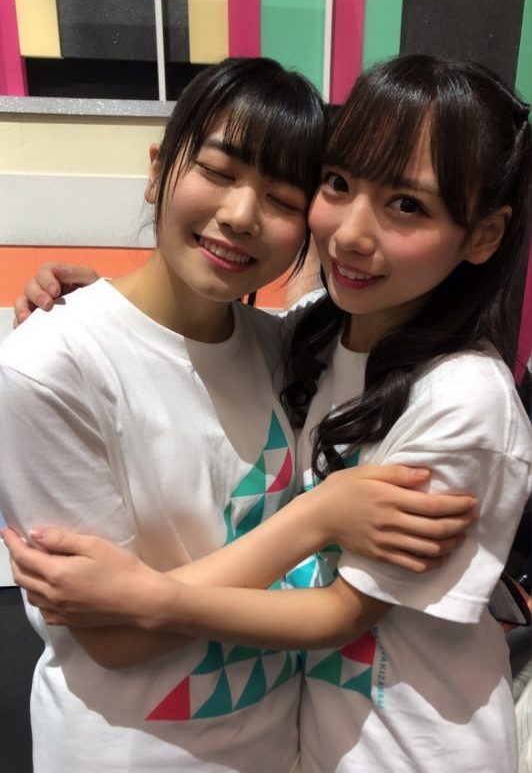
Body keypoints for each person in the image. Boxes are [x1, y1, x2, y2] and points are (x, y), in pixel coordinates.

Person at [7, 54, 532, 773]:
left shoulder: (456, 397)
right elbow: (161, 352)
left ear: (484, 234)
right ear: (159, 169)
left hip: (411, 751)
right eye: (338, 184)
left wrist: (152, 595)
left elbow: (342, 611)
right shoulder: (311, 335)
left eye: (407, 205)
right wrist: (106, 313)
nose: (352, 233)